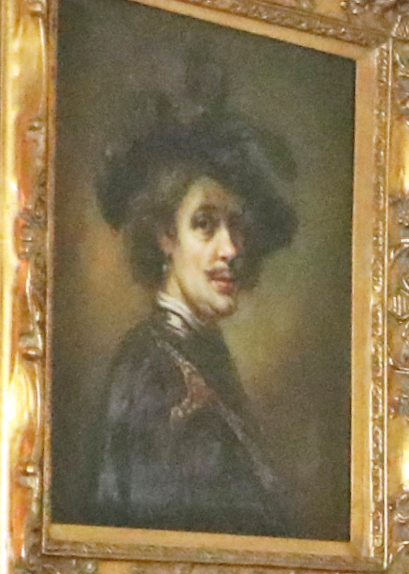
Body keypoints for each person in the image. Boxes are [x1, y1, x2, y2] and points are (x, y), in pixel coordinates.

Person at [86, 88, 298, 536]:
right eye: (204, 224)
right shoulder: (152, 373)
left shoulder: (201, 353)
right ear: (165, 234)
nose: (232, 249)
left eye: (236, 225)